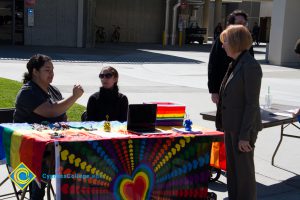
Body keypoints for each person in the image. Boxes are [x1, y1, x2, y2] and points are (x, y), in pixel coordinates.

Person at [14, 54, 84, 200]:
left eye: (52, 70)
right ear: (35, 71)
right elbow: (52, 112)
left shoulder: (53, 91)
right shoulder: (27, 92)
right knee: (46, 163)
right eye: (47, 70)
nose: (51, 73)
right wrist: (74, 97)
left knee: (83, 154)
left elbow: (62, 116)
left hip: (52, 147)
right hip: (27, 150)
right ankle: (37, 193)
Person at [217, 25, 263, 200]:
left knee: (244, 176)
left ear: (236, 42)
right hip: (231, 126)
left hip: (243, 129)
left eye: (225, 41)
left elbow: (252, 104)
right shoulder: (236, 63)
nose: (223, 46)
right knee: (234, 173)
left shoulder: (250, 66)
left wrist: (244, 135)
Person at [208, 10, 254, 107]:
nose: (242, 26)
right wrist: (214, 90)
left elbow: (251, 65)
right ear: (231, 25)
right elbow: (213, 65)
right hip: (224, 89)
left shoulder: (247, 41)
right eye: (239, 23)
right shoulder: (222, 40)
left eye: (244, 23)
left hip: (241, 91)